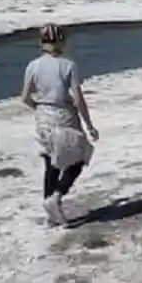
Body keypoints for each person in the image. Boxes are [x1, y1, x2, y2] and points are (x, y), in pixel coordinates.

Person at [20, 24, 99, 227]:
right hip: (64, 116)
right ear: (62, 42)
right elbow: (78, 99)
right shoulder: (68, 65)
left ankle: (51, 215)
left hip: (43, 117)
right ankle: (56, 197)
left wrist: (39, 107)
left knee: (50, 161)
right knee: (80, 156)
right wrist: (89, 126)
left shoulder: (33, 65)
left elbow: (25, 97)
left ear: (41, 42)